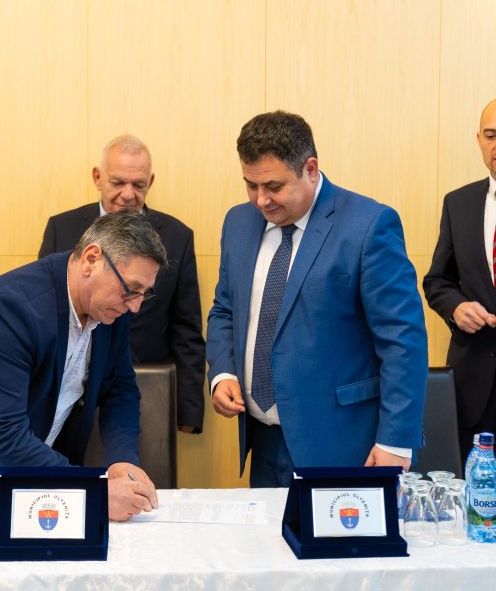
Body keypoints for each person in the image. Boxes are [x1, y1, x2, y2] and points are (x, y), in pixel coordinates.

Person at [0, 211, 167, 521]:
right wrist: (91, 491)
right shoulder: (12, 308)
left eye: (144, 294)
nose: (135, 306)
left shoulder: (110, 309)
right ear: (91, 260)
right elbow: (6, 435)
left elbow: (120, 390)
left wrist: (122, 460)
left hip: (20, 478)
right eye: (131, 288)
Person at [207, 111, 428, 487]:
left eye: (273, 186)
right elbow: (225, 309)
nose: (261, 200)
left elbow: (402, 341)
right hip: (263, 439)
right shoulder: (238, 222)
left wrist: (395, 441)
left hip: (344, 442)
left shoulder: (368, 226)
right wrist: (223, 373)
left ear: (310, 169)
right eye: (250, 185)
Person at [39, 135, 205, 434]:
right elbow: (46, 311)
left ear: (150, 182)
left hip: (144, 385)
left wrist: (187, 411)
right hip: (67, 387)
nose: (128, 195)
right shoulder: (62, 228)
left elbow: (186, 329)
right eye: (117, 182)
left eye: (138, 185)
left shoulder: (177, 237)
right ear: (97, 178)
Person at [424, 99, 496, 463]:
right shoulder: (458, 203)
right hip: (475, 385)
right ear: (479, 140)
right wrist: (456, 308)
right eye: (491, 135)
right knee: (473, 490)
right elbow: (437, 280)